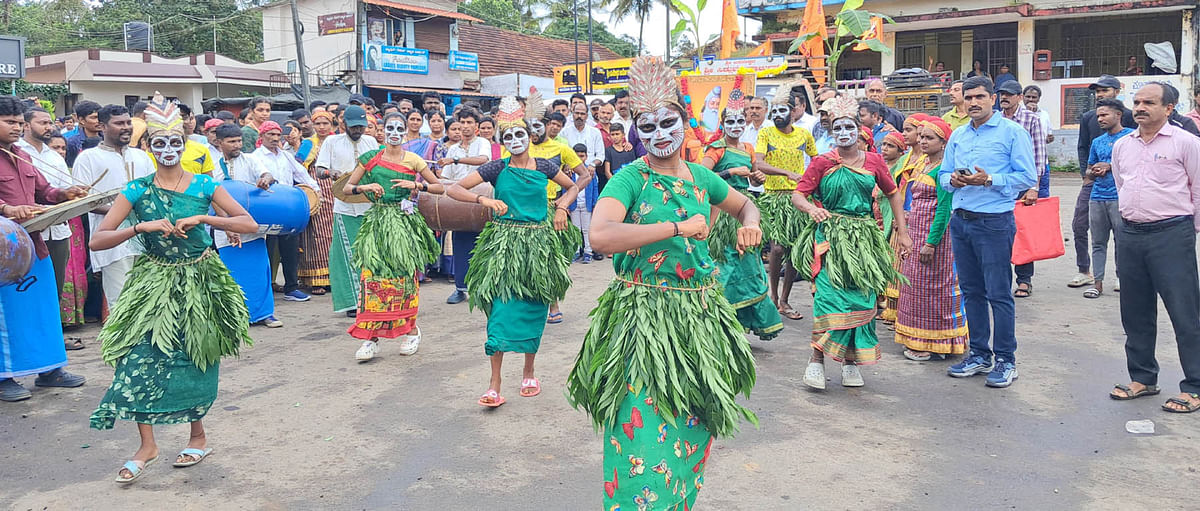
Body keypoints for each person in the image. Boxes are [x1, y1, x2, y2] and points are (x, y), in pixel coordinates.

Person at [565, 56, 760, 510]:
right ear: (635, 131)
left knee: (691, 430)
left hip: (699, 322)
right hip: (643, 321)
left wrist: (750, 221)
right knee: (642, 441)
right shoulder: (632, 177)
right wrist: (676, 229)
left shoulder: (700, 176)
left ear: (685, 121)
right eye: (646, 127)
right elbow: (601, 235)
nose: (658, 135)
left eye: (667, 123)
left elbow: (744, 204)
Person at [88, 93, 257, 483]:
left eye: (175, 143)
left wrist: (206, 218)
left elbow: (247, 223)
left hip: (200, 280)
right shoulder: (137, 190)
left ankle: (197, 435)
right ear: (146, 146)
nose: (168, 149)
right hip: (152, 282)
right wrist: (140, 227)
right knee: (135, 357)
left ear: (185, 145)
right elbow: (99, 239)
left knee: (195, 356)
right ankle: (147, 444)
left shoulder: (204, 184)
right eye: (159, 143)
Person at [445, 90, 579, 406]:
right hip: (503, 248)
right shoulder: (495, 168)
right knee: (500, 311)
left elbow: (572, 186)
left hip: (537, 247)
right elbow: (453, 188)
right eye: (508, 136)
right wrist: (483, 199)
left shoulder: (545, 166)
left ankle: (529, 372)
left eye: (520, 133)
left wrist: (561, 207)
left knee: (534, 309)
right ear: (503, 140)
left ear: (529, 136)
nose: (515, 139)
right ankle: (495, 382)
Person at [791, 94, 912, 389]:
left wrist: (903, 230)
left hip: (864, 240)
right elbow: (798, 194)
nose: (844, 134)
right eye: (838, 129)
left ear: (858, 131)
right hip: (831, 237)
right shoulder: (822, 162)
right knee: (829, 298)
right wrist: (812, 209)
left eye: (849, 128)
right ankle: (816, 361)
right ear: (832, 133)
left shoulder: (873, 161)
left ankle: (850, 362)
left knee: (862, 299)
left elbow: (893, 192)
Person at [939, 76, 1037, 388]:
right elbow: (942, 174)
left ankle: (1006, 359)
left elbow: (1027, 176)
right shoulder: (958, 135)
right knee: (971, 291)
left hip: (994, 222)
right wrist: (952, 181)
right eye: (968, 98)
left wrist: (989, 179)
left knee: (998, 293)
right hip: (962, 220)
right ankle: (979, 354)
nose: (973, 103)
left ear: (992, 99)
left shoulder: (1012, 132)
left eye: (980, 97)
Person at [1107, 82, 1200, 413]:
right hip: (1131, 234)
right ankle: (1143, 378)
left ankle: (1194, 386)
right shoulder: (1123, 146)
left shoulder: (1187, 143)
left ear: (1169, 108)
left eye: (1149, 102)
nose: (1140, 107)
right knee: (1135, 310)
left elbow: (1198, 188)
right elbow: (1121, 184)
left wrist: (1191, 233)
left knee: (1184, 311)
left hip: (1172, 234)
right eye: (1137, 101)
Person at [0, 96, 89, 402]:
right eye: (9, 122)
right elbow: (7, 206)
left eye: (19, 123)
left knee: (43, 310)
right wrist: (7, 209)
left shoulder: (22, 155)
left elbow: (45, 190)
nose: (17, 128)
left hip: (34, 246)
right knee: (6, 316)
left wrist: (64, 193)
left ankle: (50, 370)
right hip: (4, 256)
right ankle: (4, 377)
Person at [341, 112, 444, 362]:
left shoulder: (414, 160)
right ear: (382, 132)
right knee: (372, 278)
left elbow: (440, 187)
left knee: (403, 278)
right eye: (390, 128)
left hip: (404, 223)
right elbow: (345, 189)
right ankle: (370, 338)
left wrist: (417, 186)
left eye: (399, 128)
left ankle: (410, 331)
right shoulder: (369, 158)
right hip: (377, 223)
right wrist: (365, 187)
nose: (395, 132)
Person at [701, 90, 782, 340]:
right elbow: (702, 178)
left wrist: (758, 176)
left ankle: (746, 321)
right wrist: (729, 173)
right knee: (725, 265)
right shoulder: (715, 149)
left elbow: (755, 175)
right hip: (721, 213)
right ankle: (719, 321)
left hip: (745, 211)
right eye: (730, 122)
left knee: (749, 266)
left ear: (745, 122)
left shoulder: (748, 148)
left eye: (739, 121)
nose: (735, 126)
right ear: (723, 124)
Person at [895, 117, 969, 360]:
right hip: (915, 232)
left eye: (929, 138)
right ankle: (919, 339)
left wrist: (931, 243)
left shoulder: (943, 171)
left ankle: (934, 341)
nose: (923, 141)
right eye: (922, 136)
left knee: (935, 289)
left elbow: (944, 209)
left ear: (944, 142)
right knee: (915, 287)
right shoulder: (922, 164)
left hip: (934, 236)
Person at [73, 105, 157, 308]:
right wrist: (122, 212)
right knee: (121, 304)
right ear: (102, 126)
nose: (126, 127)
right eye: (119, 123)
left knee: (150, 302)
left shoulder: (141, 156)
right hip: (112, 240)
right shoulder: (88, 158)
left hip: (147, 238)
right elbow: (83, 202)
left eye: (128, 122)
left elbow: (155, 191)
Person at [18, 108, 86, 340]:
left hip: (57, 231)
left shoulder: (54, 156)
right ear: (25, 125)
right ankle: (29, 339)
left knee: (53, 288)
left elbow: (48, 191)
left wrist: (68, 194)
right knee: (24, 289)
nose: (49, 127)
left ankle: (50, 339)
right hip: (24, 232)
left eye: (49, 122)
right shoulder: (18, 153)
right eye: (42, 123)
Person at [755, 80, 818, 321]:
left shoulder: (803, 134)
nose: (778, 115)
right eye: (775, 111)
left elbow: (816, 160)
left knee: (792, 252)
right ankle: (772, 295)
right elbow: (759, 163)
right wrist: (786, 173)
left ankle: (784, 300)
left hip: (797, 197)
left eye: (783, 110)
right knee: (777, 248)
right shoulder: (766, 133)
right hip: (774, 197)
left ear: (793, 112)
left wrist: (809, 181)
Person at [524, 102, 591, 324]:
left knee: (550, 259)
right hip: (522, 212)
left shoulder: (561, 148)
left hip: (551, 209)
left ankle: (553, 303)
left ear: (546, 125)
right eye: (528, 126)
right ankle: (528, 305)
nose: (532, 131)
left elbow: (584, 176)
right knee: (525, 260)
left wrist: (564, 202)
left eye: (536, 126)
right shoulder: (518, 147)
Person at [210, 124, 282, 328]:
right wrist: (228, 225)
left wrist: (265, 180)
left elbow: (268, 174)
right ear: (219, 142)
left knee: (260, 270)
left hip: (252, 226)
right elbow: (212, 196)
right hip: (225, 227)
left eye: (239, 140)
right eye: (231, 141)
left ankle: (265, 314)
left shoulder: (250, 159)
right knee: (232, 273)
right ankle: (237, 317)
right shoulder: (211, 164)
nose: (237, 145)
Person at [1072, 75, 1138, 289]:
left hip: (1121, 192)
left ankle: (1123, 276)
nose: (1099, 94)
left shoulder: (1131, 121)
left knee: (1123, 236)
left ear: (1117, 92)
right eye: (1097, 91)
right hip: (1095, 190)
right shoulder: (1089, 119)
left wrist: (1111, 166)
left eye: (1105, 90)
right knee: (1080, 226)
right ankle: (1087, 272)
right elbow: (1084, 148)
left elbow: (1137, 158)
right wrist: (1088, 174)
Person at [315, 105, 380, 316]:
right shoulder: (332, 142)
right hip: (344, 207)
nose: (358, 131)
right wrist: (331, 172)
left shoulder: (371, 142)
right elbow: (319, 169)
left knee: (370, 253)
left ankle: (371, 298)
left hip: (369, 205)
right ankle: (352, 302)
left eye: (362, 127)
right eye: (354, 127)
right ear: (343, 125)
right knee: (347, 255)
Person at [252, 121, 320, 303]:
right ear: (262, 136)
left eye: (277, 135)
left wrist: (315, 191)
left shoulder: (286, 156)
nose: (275, 138)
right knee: (266, 249)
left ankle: (291, 287)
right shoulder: (255, 157)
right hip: (267, 207)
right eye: (270, 135)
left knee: (290, 248)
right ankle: (265, 290)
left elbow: (301, 175)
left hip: (288, 206)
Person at [997, 80, 1047, 298]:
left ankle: (1024, 280)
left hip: (1022, 185)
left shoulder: (1031, 119)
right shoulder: (995, 120)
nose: (1004, 98)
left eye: (1009, 94)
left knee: (1023, 233)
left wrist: (1033, 187)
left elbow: (1039, 156)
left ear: (1019, 97)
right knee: (999, 233)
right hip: (999, 184)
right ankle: (1001, 280)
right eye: (1002, 94)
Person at [438, 108, 492, 304]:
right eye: (463, 123)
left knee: (484, 244)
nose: (466, 126)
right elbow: (445, 177)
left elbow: (483, 161)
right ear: (458, 125)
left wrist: (456, 160)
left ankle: (484, 288)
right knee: (460, 245)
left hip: (483, 199)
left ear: (476, 126)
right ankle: (460, 288)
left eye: (470, 123)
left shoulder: (482, 143)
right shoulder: (453, 148)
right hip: (460, 202)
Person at [1082, 99, 1132, 299]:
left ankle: (1124, 279)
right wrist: (1094, 171)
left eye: (1104, 115)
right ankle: (1098, 283)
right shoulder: (1097, 142)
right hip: (1097, 197)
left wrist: (1110, 166)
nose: (1100, 119)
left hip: (1121, 197)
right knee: (1098, 242)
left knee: (1123, 241)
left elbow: (1135, 165)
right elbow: (1088, 170)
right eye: (1098, 116)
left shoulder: (1130, 137)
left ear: (1118, 114)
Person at [297, 111, 337, 295]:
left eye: (326, 123)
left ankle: (333, 277)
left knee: (333, 234)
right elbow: (297, 167)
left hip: (335, 191)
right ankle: (314, 279)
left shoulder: (336, 141)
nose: (322, 127)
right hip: (316, 192)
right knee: (316, 236)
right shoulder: (308, 144)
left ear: (332, 125)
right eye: (318, 123)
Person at [562, 102, 605, 261]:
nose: (579, 116)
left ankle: (590, 250)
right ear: (571, 113)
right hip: (570, 176)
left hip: (591, 175)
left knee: (588, 224)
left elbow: (600, 155)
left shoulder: (594, 132)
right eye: (576, 113)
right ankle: (576, 250)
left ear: (587, 115)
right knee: (575, 225)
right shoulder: (565, 132)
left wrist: (592, 165)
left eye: (582, 113)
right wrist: (567, 166)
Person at [1023, 85, 1055, 198]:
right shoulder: (1019, 115)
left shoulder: (1044, 115)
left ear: (1039, 99)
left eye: (1034, 97)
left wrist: (1047, 138)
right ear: (1022, 97)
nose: (1031, 100)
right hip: (1024, 164)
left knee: (1042, 196)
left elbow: (1050, 136)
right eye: (1028, 97)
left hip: (1042, 163)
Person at [65, 100, 102, 166]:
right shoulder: (73, 143)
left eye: (100, 117)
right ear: (81, 120)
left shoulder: (108, 139)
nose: (98, 121)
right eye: (94, 118)